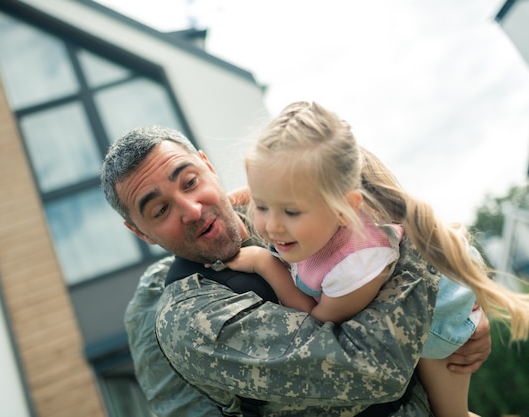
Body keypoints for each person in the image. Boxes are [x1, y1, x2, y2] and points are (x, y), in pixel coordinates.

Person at [101, 124, 493, 416]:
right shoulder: (191, 320)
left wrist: (459, 319)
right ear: (139, 232)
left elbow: (370, 225)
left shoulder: (275, 206)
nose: (191, 209)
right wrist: (435, 286)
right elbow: (371, 368)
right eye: (160, 210)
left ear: (208, 166)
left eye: (189, 181)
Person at [218, 101, 529, 417]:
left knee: (451, 415)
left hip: (439, 323)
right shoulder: (305, 205)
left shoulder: (357, 263)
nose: (271, 226)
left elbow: (318, 319)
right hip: (410, 309)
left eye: (291, 211)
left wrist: (264, 263)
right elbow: (269, 190)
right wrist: (223, 204)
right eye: (261, 206)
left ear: (346, 208)